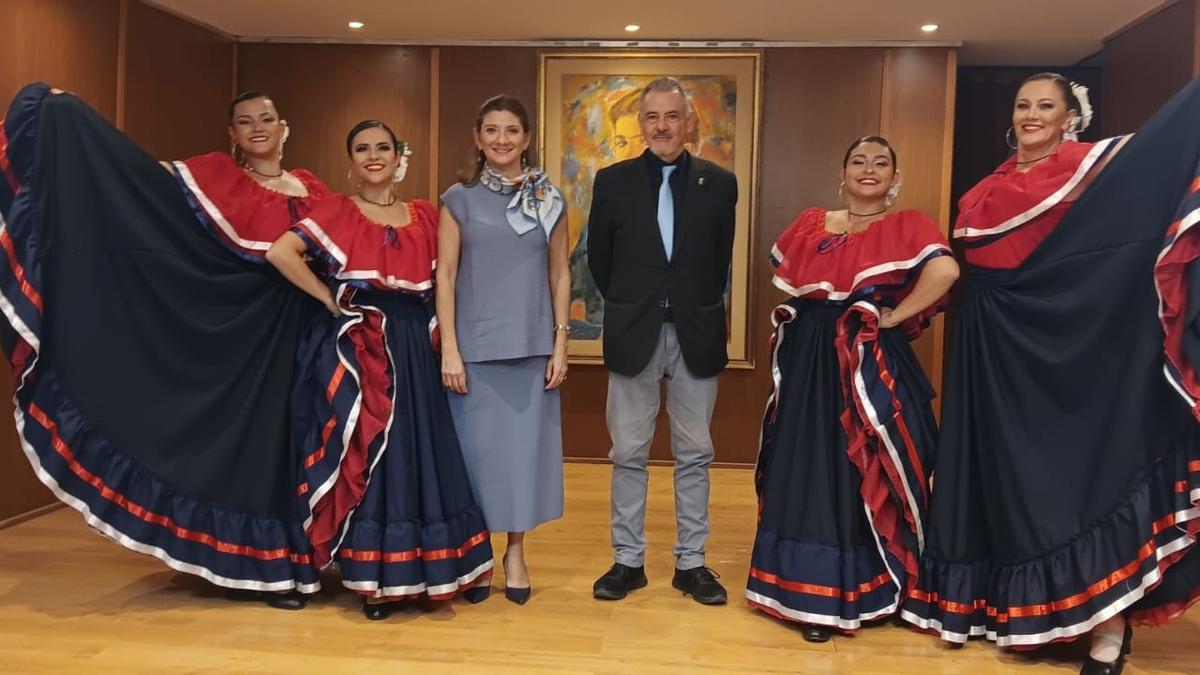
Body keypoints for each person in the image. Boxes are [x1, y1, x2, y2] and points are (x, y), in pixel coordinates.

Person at [902, 73, 1200, 675]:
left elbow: (1159, 163)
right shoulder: (989, 186)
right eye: (1023, 106)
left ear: (1070, 116)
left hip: (1068, 350)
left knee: (1072, 484)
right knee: (1006, 483)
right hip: (990, 350)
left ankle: (1107, 631)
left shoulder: (1096, 167)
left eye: (1046, 106)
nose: (1032, 115)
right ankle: (1029, 611)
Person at [0, 84, 330, 609]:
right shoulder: (214, 176)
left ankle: (302, 556)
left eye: (267, 117)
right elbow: (137, 182)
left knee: (298, 440)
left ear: (285, 126)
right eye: (245, 121)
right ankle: (258, 566)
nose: (258, 127)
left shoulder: (313, 189)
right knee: (253, 447)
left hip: (302, 332)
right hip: (240, 335)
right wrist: (70, 123)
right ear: (233, 134)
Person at [267, 120, 494, 620]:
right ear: (351, 161)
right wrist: (329, 298)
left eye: (383, 148)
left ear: (398, 156)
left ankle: (447, 568)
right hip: (364, 342)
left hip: (417, 342)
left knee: (426, 450)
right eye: (362, 149)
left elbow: (450, 278)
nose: (373, 157)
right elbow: (281, 252)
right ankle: (378, 580)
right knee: (376, 454)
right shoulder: (338, 211)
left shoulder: (427, 215)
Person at [746, 136, 957, 643]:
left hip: (866, 360)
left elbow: (946, 270)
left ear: (893, 177)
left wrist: (894, 316)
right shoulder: (811, 223)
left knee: (855, 465)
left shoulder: (907, 226)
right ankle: (806, 591)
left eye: (881, 163)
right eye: (859, 162)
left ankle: (866, 584)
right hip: (809, 362)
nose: (869, 170)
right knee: (807, 465)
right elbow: (785, 274)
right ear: (842, 174)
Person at [587, 77, 737, 605]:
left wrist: (683, 302)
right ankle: (628, 562)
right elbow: (600, 262)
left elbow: (719, 260)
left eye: (672, 116)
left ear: (689, 122)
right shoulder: (612, 181)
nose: (662, 127)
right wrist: (638, 304)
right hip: (634, 332)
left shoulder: (719, 183)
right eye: (651, 117)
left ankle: (691, 565)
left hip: (696, 331)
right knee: (628, 452)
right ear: (640, 123)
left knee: (694, 452)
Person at [437, 95, 568, 605]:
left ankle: (515, 551)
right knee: (476, 459)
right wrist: (449, 347)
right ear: (477, 137)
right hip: (473, 347)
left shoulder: (549, 198)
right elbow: (444, 275)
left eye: (511, 130)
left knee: (520, 459)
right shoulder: (457, 199)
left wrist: (560, 341)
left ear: (527, 138)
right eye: (491, 130)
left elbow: (560, 273)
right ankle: (477, 556)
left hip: (532, 345)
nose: (501, 140)